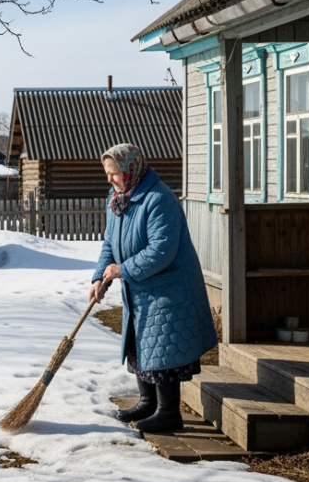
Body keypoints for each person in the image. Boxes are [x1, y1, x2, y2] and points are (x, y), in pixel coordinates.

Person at [89, 144, 217, 433]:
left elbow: (162, 250)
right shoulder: (118, 198)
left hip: (168, 288)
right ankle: (148, 402)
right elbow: (110, 243)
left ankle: (169, 412)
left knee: (163, 348)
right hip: (141, 285)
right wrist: (100, 278)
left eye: (114, 174)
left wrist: (122, 270)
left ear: (130, 170)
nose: (109, 180)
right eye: (107, 174)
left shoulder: (159, 199)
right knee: (139, 342)